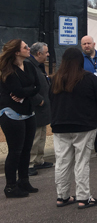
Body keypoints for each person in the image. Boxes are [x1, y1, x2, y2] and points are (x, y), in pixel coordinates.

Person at [50, 47, 97, 208]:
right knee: (81, 162)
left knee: (62, 162)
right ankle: (84, 197)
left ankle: (62, 196)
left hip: (60, 125)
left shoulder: (55, 79)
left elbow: (51, 101)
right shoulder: (89, 78)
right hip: (84, 125)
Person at [0, 39, 40, 198]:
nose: (28, 48)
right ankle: (10, 186)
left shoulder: (29, 65)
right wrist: (26, 91)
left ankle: (24, 180)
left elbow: (37, 86)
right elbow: (16, 90)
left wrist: (25, 92)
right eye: (25, 47)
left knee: (26, 149)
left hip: (28, 111)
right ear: (17, 52)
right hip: (11, 113)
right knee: (15, 150)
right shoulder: (7, 70)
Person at [26, 42, 53, 176]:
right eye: (46, 52)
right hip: (36, 107)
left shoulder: (38, 66)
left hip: (43, 108)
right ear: (39, 53)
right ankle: (29, 163)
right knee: (35, 137)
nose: (48, 54)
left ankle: (38, 160)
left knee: (42, 135)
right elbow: (28, 86)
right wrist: (39, 100)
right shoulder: (29, 66)